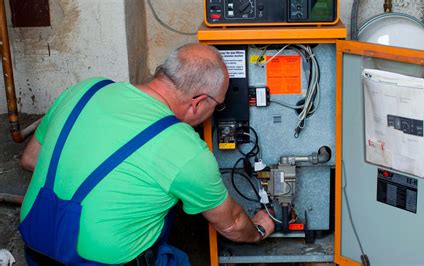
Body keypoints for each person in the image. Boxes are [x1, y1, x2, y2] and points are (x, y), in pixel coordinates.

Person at [19, 44, 275, 265]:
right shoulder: (186, 151)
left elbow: (30, 159)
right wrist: (260, 229)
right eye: (218, 105)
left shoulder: (85, 90)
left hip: (36, 248)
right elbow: (232, 225)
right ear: (198, 103)